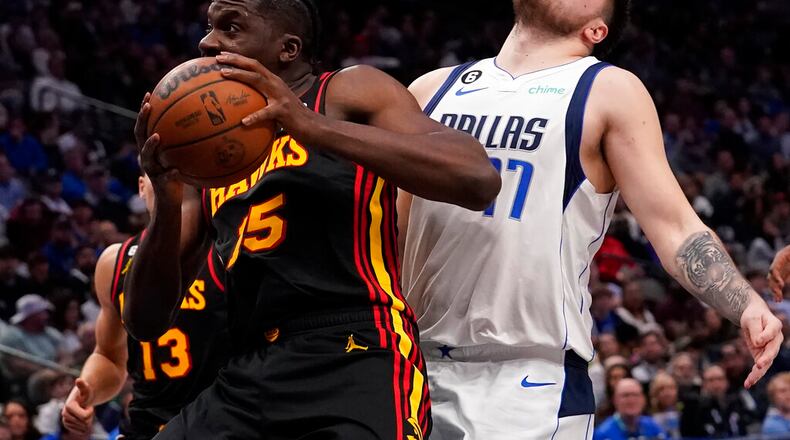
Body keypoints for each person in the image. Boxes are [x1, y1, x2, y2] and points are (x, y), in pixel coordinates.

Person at [399, 0, 784, 437]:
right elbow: (388, 235)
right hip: (413, 365)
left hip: (528, 379)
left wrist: (747, 304)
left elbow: (674, 225)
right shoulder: (429, 89)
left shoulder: (608, 89)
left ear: (596, 30)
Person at [124, 0, 499, 438]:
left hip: (356, 350)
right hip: (251, 365)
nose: (208, 42)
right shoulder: (209, 162)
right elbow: (144, 321)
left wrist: (308, 124)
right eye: (209, 27)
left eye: (231, 27)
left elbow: (476, 178)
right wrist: (167, 199)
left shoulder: (347, 92)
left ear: (288, 49)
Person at [60, 172, 230, 440]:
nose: (169, 178)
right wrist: (88, 390)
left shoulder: (227, 247)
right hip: (148, 426)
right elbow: (108, 356)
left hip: (222, 421)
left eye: (177, 167)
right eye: (157, 169)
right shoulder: (114, 261)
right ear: (141, 187)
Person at [593, 378, 666, 440]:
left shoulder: (653, 426)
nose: (631, 400)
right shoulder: (603, 434)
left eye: (635, 395)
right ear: (615, 400)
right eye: (626, 395)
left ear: (643, 399)